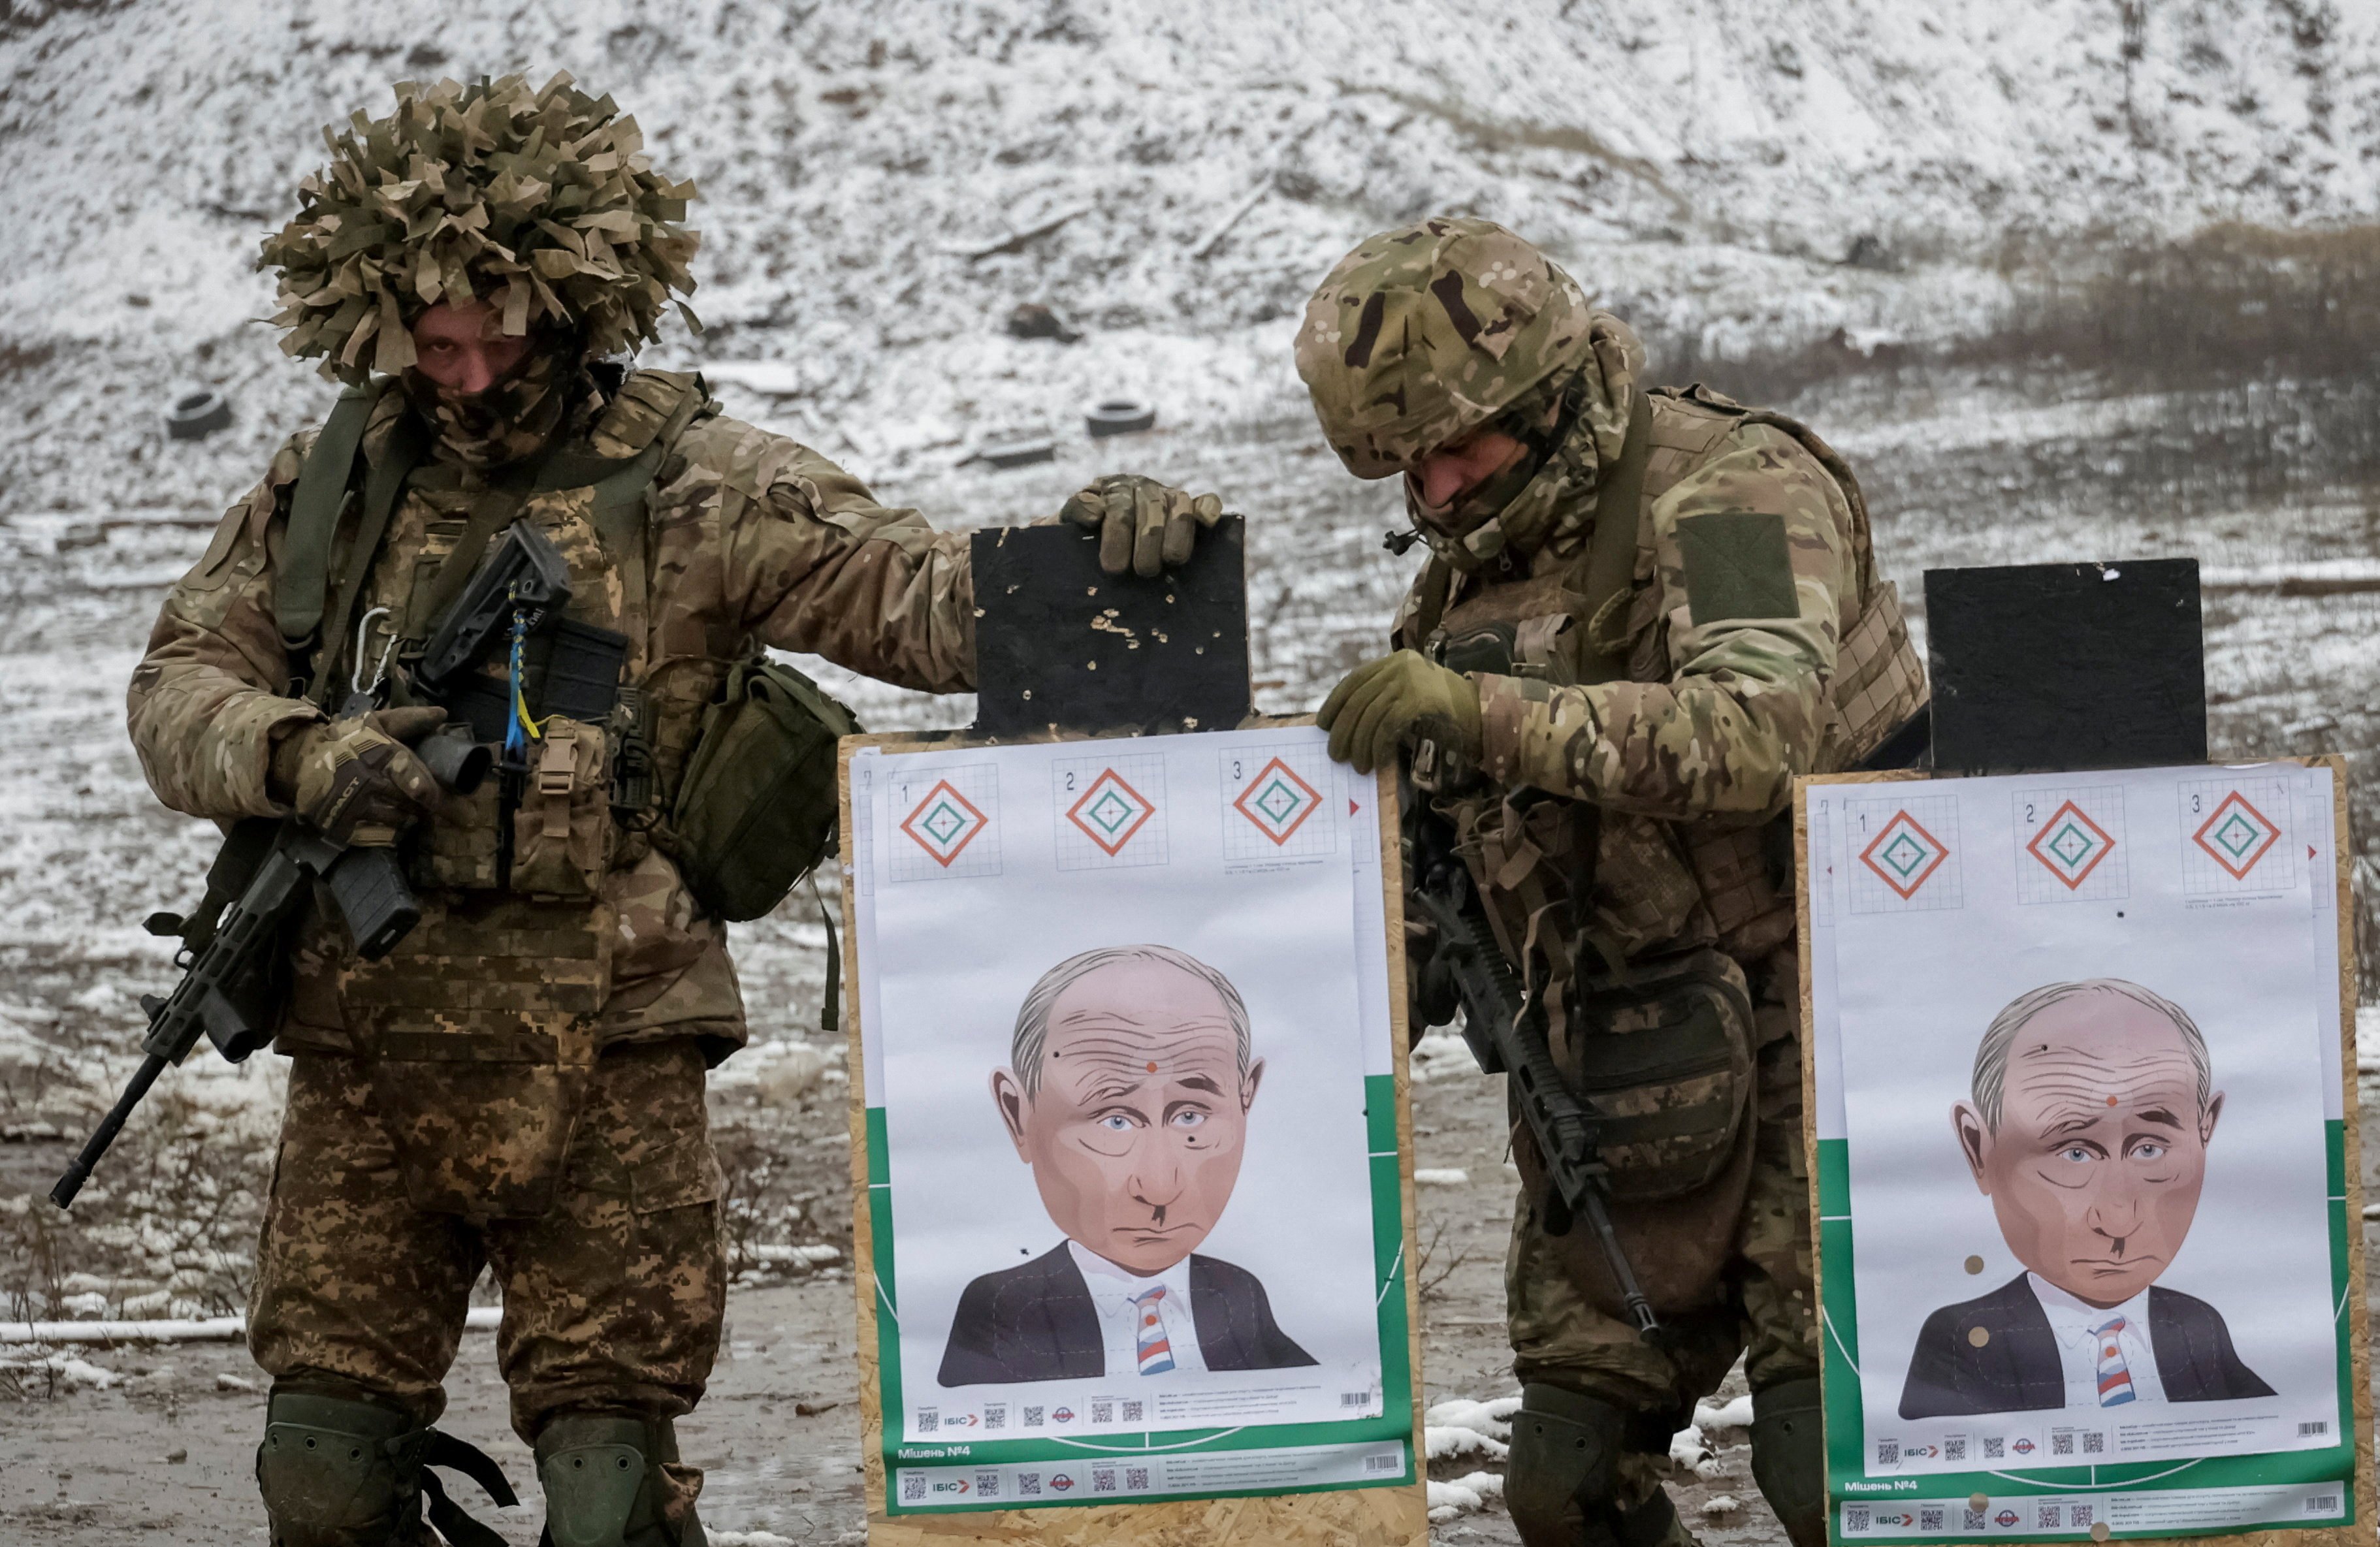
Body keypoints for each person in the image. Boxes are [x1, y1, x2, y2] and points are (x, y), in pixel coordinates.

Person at [129, 73, 1219, 1547]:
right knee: (318, 1473)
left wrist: (1103, 558)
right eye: (430, 346)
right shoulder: (326, 490)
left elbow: (917, 594)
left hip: (613, 1054)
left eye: (494, 339)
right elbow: (180, 679)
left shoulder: (702, 482)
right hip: (366, 1053)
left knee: (607, 1484)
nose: (461, 377)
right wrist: (292, 751)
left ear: (573, 307)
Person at [1300, 217, 1927, 1547]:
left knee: (1835, 1474)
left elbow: (1757, 734)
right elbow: (1448, 869)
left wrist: (1482, 714)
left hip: (1836, 1039)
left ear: (1553, 390)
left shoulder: (1735, 491)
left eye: (1464, 446)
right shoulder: (1456, 590)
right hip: (1624, 1067)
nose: (1444, 485)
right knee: (1567, 1487)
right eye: (1410, 465)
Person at [939, 945, 1313, 1386]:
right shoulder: (1002, 1309)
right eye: (1114, 1120)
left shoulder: (1239, 1294)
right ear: (1019, 1115)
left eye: (1190, 1116)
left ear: (1245, 1098)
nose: (1159, 1187)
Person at [1899, 979, 2269, 1419]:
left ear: (2205, 1130)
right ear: (1980, 1149)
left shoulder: (2197, 1326)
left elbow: (2289, 1439)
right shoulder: (1964, 1342)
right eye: (2074, 1153)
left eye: (2150, 1149)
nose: (2118, 1219)